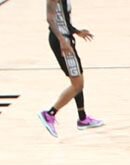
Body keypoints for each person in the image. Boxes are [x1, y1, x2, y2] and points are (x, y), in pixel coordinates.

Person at [39, 0, 100, 136]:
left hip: (66, 39)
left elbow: (63, 20)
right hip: (62, 42)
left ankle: (83, 118)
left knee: (77, 80)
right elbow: (50, 19)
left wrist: (77, 32)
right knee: (77, 84)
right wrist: (62, 41)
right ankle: (49, 114)